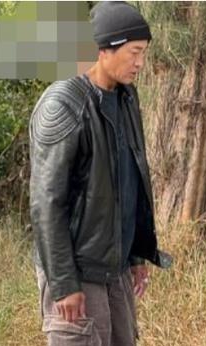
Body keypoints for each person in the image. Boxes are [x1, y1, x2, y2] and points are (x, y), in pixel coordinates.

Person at [29, 2, 171, 345]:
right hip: (77, 269)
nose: (140, 63)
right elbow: (46, 203)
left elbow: (129, 182)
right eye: (134, 52)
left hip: (115, 267)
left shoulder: (125, 98)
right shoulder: (62, 103)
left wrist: (137, 253)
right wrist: (64, 284)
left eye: (144, 53)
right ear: (104, 49)